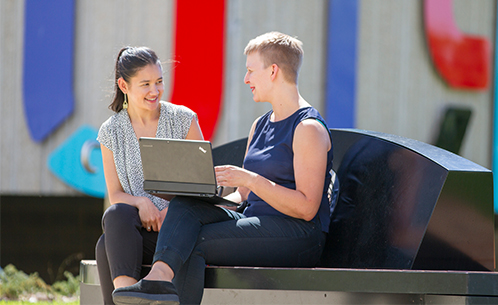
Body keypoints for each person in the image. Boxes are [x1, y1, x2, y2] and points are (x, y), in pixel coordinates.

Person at [112, 31, 334, 305]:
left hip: (298, 235)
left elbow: (307, 208)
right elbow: (241, 197)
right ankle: (158, 280)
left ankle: (159, 282)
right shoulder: (260, 125)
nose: (246, 79)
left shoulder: (307, 128)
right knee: (186, 205)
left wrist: (252, 180)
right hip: (253, 221)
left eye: (251, 71)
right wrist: (204, 197)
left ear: (273, 71)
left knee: (196, 241)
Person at [95, 46, 204, 305]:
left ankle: (126, 299)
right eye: (145, 84)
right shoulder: (110, 131)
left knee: (103, 246)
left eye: (159, 82)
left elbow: (201, 185)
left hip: (181, 227)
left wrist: (174, 211)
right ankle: (127, 296)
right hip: (141, 228)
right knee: (116, 213)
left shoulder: (184, 119)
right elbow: (116, 194)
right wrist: (142, 203)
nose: (154, 91)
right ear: (124, 85)